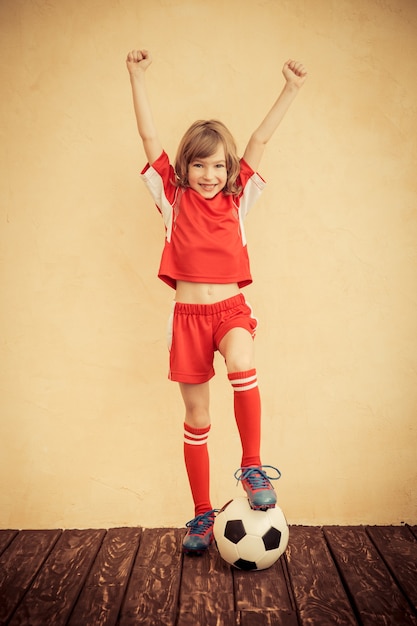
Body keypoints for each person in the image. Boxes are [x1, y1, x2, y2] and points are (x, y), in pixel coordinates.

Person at [126, 48, 307, 555]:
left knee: (243, 361)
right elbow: (148, 137)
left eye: (218, 165)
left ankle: (252, 466)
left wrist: (290, 90)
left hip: (229, 311)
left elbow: (260, 138)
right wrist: (137, 77)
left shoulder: (238, 196)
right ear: (185, 168)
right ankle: (203, 516)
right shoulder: (171, 195)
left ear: (230, 170)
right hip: (186, 319)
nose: (209, 174)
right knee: (198, 417)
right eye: (199, 165)